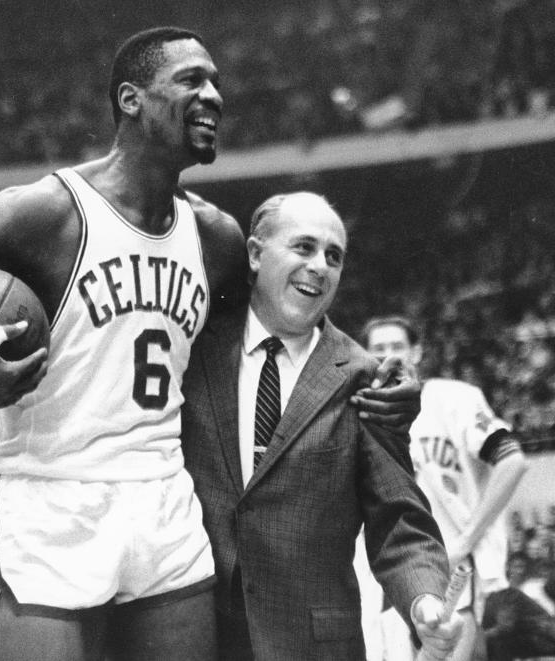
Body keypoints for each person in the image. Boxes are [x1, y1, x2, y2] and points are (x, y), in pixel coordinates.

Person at [0, 26, 420, 661]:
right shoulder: (45, 214)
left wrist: (376, 374)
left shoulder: (215, 236)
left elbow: (289, 322)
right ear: (132, 99)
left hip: (162, 494)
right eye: (192, 80)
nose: (215, 95)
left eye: (218, 83)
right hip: (52, 491)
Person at [179, 192, 461, 660]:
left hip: (315, 647)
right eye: (304, 247)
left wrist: (424, 600)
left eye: (334, 256)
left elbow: (400, 521)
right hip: (200, 637)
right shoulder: (195, 348)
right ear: (254, 253)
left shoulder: (363, 377)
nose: (320, 266)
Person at [358, 315, 529, 661]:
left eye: (397, 347)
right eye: (378, 349)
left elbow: (512, 460)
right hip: (383, 570)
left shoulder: (455, 399)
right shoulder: (360, 410)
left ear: (417, 353)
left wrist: (466, 541)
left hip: (447, 564)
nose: (388, 355)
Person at [481, 554, 555, 661]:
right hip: (532, 637)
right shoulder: (490, 597)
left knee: (499, 642)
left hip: (548, 639)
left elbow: (505, 627)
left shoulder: (507, 594)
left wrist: (478, 637)